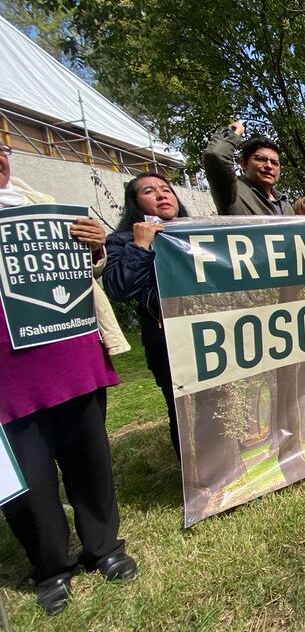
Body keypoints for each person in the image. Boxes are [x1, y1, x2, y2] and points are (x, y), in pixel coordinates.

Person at [0, 144, 136, 615]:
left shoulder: (43, 204)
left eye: (0, 149)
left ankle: (103, 546)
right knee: (28, 477)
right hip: (9, 372)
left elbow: (88, 271)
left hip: (71, 355)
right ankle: (51, 567)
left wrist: (96, 246)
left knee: (90, 458)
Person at [103, 173, 190, 460]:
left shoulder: (196, 232)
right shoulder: (123, 241)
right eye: (149, 191)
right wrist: (140, 246)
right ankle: (197, 478)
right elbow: (119, 288)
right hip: (166, 342)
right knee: (182, 410)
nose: (162, 195)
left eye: (167, 189)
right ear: (135, 203)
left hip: (210, 333)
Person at [203, 120, 294, 216]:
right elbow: (216, 155)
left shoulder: (285, 204)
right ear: (244, 164)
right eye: (260, 159)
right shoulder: (233, 192)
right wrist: (233, 132)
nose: (269, 166)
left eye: (274, 163)